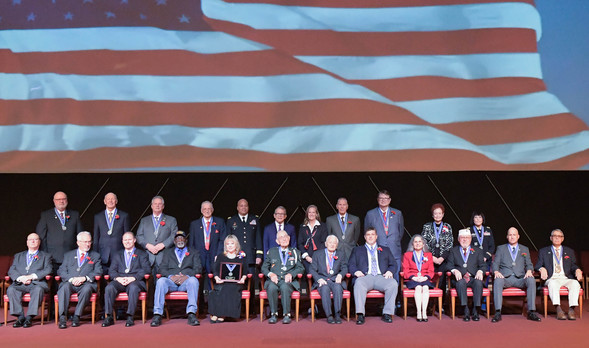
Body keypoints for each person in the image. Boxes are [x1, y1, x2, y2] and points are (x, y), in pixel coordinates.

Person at [151, 231, 202, 327]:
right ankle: (157, 315)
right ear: (174, 241)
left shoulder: (194, 252)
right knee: (161, 281)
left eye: (182, 238)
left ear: (186, 240)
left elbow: (198, 268)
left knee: (193, 280)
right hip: (171, 283)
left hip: (185, 282)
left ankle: (191, 314)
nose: (180, 240)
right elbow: (162, 268)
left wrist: (186, 276)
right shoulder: (167, 252)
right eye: (177, 238)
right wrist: (171, 276)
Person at [348, 227, 398, 325]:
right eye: (368, 235)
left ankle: (387, 313)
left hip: (381, 277)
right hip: (366, 277)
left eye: (372, 234)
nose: (370, 236)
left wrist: (390, 271)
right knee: (359, 283)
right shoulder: (357, 250)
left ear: (376, 236)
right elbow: (351, 265)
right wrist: (356, 271)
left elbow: (393, 264)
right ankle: (360, 314)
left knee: (393, 284)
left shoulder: (385, 249)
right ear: (365, 237)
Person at [491, 227, 541, 322]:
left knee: (531, 280)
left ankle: (531, 311)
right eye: (510, 235)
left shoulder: (524, 249)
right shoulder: (501, 248)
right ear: (507, 237)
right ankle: (497, 312)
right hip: (505, 278)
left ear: (518, 236)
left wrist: (529, 270)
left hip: (520, 278)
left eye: (514, 235)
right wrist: (496, 272)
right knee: (497, 280)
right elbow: (495, 263)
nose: (512, 237)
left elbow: (529, 264)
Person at [102, 232, 150, 327]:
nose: (127, 242)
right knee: (109, 288)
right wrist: (118, 278)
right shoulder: (117, 254)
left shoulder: (142, 254)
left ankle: (130, 316)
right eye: (125, 240)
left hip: (135, 281)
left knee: (133, 288)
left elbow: (146, 269)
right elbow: (111, 271)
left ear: (134, 240)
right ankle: (109, 316)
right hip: (120, 280)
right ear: (122, 241)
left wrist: (133, 278)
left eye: (129, 239)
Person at [56, 231, 103, 329]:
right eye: (85, 242)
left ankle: (77, 316)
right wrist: (72, 279)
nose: (87, 244)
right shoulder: (68, 255)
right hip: (70, 282)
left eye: (89, 242)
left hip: (86, 283)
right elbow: (61, 271)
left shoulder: (95, 255)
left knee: (87, 289)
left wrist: (84, 278)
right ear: (78, 242)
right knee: (64, 288)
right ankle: (63, 317)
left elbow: (98, 271)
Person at [6, 233, 53, 328]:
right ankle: (20, 317)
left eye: (35, 239)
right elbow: (12, 270)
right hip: (20, 283)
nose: (32, 241)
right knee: (11, 289)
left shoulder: (45, 256)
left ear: (39, 242)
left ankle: (29, 318)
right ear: (27, 242)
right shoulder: (18, 256)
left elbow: (49, 269)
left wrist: (32, 276)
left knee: (38, 290)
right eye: (30, 239)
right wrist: (21, 278)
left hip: (36, 283)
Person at [535, 228, 583, 320]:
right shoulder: (544, 251)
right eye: (554, 236)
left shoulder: (569, 251)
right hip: (552, 278)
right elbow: (537, 265)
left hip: (565, 277)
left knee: (575, 283)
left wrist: (577, 269)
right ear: (551, 238)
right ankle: (558, 309)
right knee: (553, 284)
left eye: (559, 236)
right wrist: (542, 268)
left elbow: (573, 265)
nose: (557, 238)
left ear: (562, 239)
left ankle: (571, 309)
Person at [261, 230, 304, 324]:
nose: (284, 238)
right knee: (271, 287)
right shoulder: (272, 252)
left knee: (285, 287)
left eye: (286, 236)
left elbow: (301, 268)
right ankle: (273, 314)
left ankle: (286, 314)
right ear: (277, 241)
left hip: (288, 281)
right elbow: (264, 268)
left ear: (289, 238)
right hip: (274, 280)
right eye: (281, 237)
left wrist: (291, 275)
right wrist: (270, 274)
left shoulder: (295, 252)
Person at [36, 191, 84, 271]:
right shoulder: (46, 215)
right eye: (58, 199)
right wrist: (45, 254)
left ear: (67, 200)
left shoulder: (75, 214)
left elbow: (80, 235)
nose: (61, 201)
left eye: (63, 199)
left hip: (71, 256)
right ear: (54, 201)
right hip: (52, 257)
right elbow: (41, 236)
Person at [447, 229, 486, 322]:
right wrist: (454, 270)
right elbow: (448, 265)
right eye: (462, 238)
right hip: (460, 278)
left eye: (467, 238)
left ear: (470, 239)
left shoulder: (478, 250)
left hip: (473, 277)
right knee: (460, 283)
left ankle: (476, 310)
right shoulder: (453, 251)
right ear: (458, 239)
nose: (464, 240)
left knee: (478, 283)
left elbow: (483, 265)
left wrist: (480, 271)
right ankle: (466, 310)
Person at [208, 235, 248, 323]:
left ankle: (221, 314)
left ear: (236, 245)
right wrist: (217, 277)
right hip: (222, 281)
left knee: (228, 288)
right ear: (225, 245)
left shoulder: (241, 257)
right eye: (227, 244)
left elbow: (245, 271)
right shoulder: (220, 256)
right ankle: (216, 314)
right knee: (214, 292)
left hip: (237, 283)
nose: (229, 245)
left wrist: (243, 279)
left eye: (232, 243)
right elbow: (214, 269)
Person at [364, 190, 404, 276]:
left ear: (390, 200)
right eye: (381, 198)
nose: (383, 200)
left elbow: (400, 232)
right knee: (380, 279)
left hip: (394, 250)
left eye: (386, 198)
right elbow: (367, 232)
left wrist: (393, 241)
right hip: (377, 250)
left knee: (395, 277)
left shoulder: (397, 213)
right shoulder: (370, 214)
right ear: (377, 200)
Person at [309, 235, 347, 324]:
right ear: (326, 244)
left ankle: (337, 314)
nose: (332, 244)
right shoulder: (317, 254)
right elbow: (312, 269)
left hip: (335, 279)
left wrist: (340, 275)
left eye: (334, 243)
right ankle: (329, 315)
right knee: (325, 288)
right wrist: (319, 279)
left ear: (337, 245)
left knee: (338, 287)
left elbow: (344, 268)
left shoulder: (341, 254)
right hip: (323, 280)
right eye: (330, 242)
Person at [188, 201, 227, 283]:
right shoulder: (194, 224)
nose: (207, 211)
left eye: (209, 208)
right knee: (198, 277)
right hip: (199, 255)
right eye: (204, 209)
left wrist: (219, 254)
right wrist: (192, 256)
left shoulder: (220, 222)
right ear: (201, 211)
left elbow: (223, 240)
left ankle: (212, 294)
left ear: (212, 210)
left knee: (214, 276)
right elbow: (191, 242)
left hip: (214, 254)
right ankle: (199, 295)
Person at [136, 196, 178, 269]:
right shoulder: (144, 220)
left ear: (163, 206)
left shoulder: (171, 220)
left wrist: (163, 244)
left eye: (159, 204)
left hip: (164, 256)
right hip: (148, 256)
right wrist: (147, 245)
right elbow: (139, 236)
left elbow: (174, 235)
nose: (157, 205)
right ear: (151, 206)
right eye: (155, 204)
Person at [93, 192, 130, 273]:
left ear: (116, 201)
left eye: (112, 199)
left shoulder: (124, 216)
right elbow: (96, 236)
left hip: (118, 251)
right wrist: (95, 254)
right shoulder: (98, 216)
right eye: (108, 199)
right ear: (104, 201)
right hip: (102, 252)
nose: (110, 201)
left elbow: (127, 236)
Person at [421, 203, 453, 295]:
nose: (438, 215)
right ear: (432, 215)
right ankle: (430, 304)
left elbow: (450, 244)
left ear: (443, 214)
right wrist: (433, 258)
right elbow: (423, 243)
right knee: (430, 280)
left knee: (442, 281)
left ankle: (441, 306)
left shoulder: (448, 227)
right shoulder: (427, 227)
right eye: (435, 213)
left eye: (440, 213)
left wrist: (441, 258)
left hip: (444, 259)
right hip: (430, 259)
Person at [402, 234, 434, 322]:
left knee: (426, 287)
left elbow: (431, 270)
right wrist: (413, 277)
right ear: (412, 244)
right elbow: (405, 270)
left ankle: (424, 312)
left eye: (420, 241)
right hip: (412, 279)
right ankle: (418, 313)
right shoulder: (407, 255)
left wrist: (425, 277)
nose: (417, 243)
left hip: (425, 278)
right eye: (415, 242)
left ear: (423, 244)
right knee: (419, 288)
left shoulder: (428, 255)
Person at [226, 199, 263, 275]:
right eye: (241, 206)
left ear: (248, 207)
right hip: (236, 255)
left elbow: (258, 238)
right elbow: (228, 239)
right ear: (237, 207)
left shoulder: (255, 219)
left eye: (245, 205)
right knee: (237, 276)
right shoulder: (231, 220)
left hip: (251, 255)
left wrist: (259, 256)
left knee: (251, 277)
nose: (243, 207)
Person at [297, 205, 328, 273]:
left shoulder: (323, 226)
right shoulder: (303, 227)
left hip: (319, 258)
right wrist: (306, 256)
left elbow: (324, 242)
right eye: (309, 212)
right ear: (307, 214)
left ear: (317, 214)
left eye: (313, 212)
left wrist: (315, 257)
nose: (311, 214)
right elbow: (300, 243)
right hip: (306, 258)